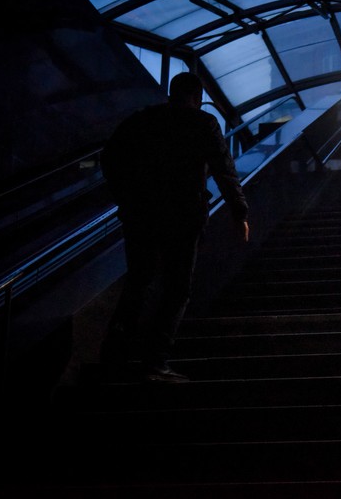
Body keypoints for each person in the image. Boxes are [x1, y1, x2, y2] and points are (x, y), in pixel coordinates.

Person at [99, 71, 250, 383]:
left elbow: (109, 157)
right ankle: (155, 360)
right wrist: (239, 212)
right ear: (197, 97)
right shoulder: (202, 123)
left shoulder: (142, 120)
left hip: (141, 216)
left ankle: (113, 356)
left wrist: (126, 198)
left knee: (138, 283)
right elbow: (224, 168)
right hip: (183, 216)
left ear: (171, 93)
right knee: (177, 288)